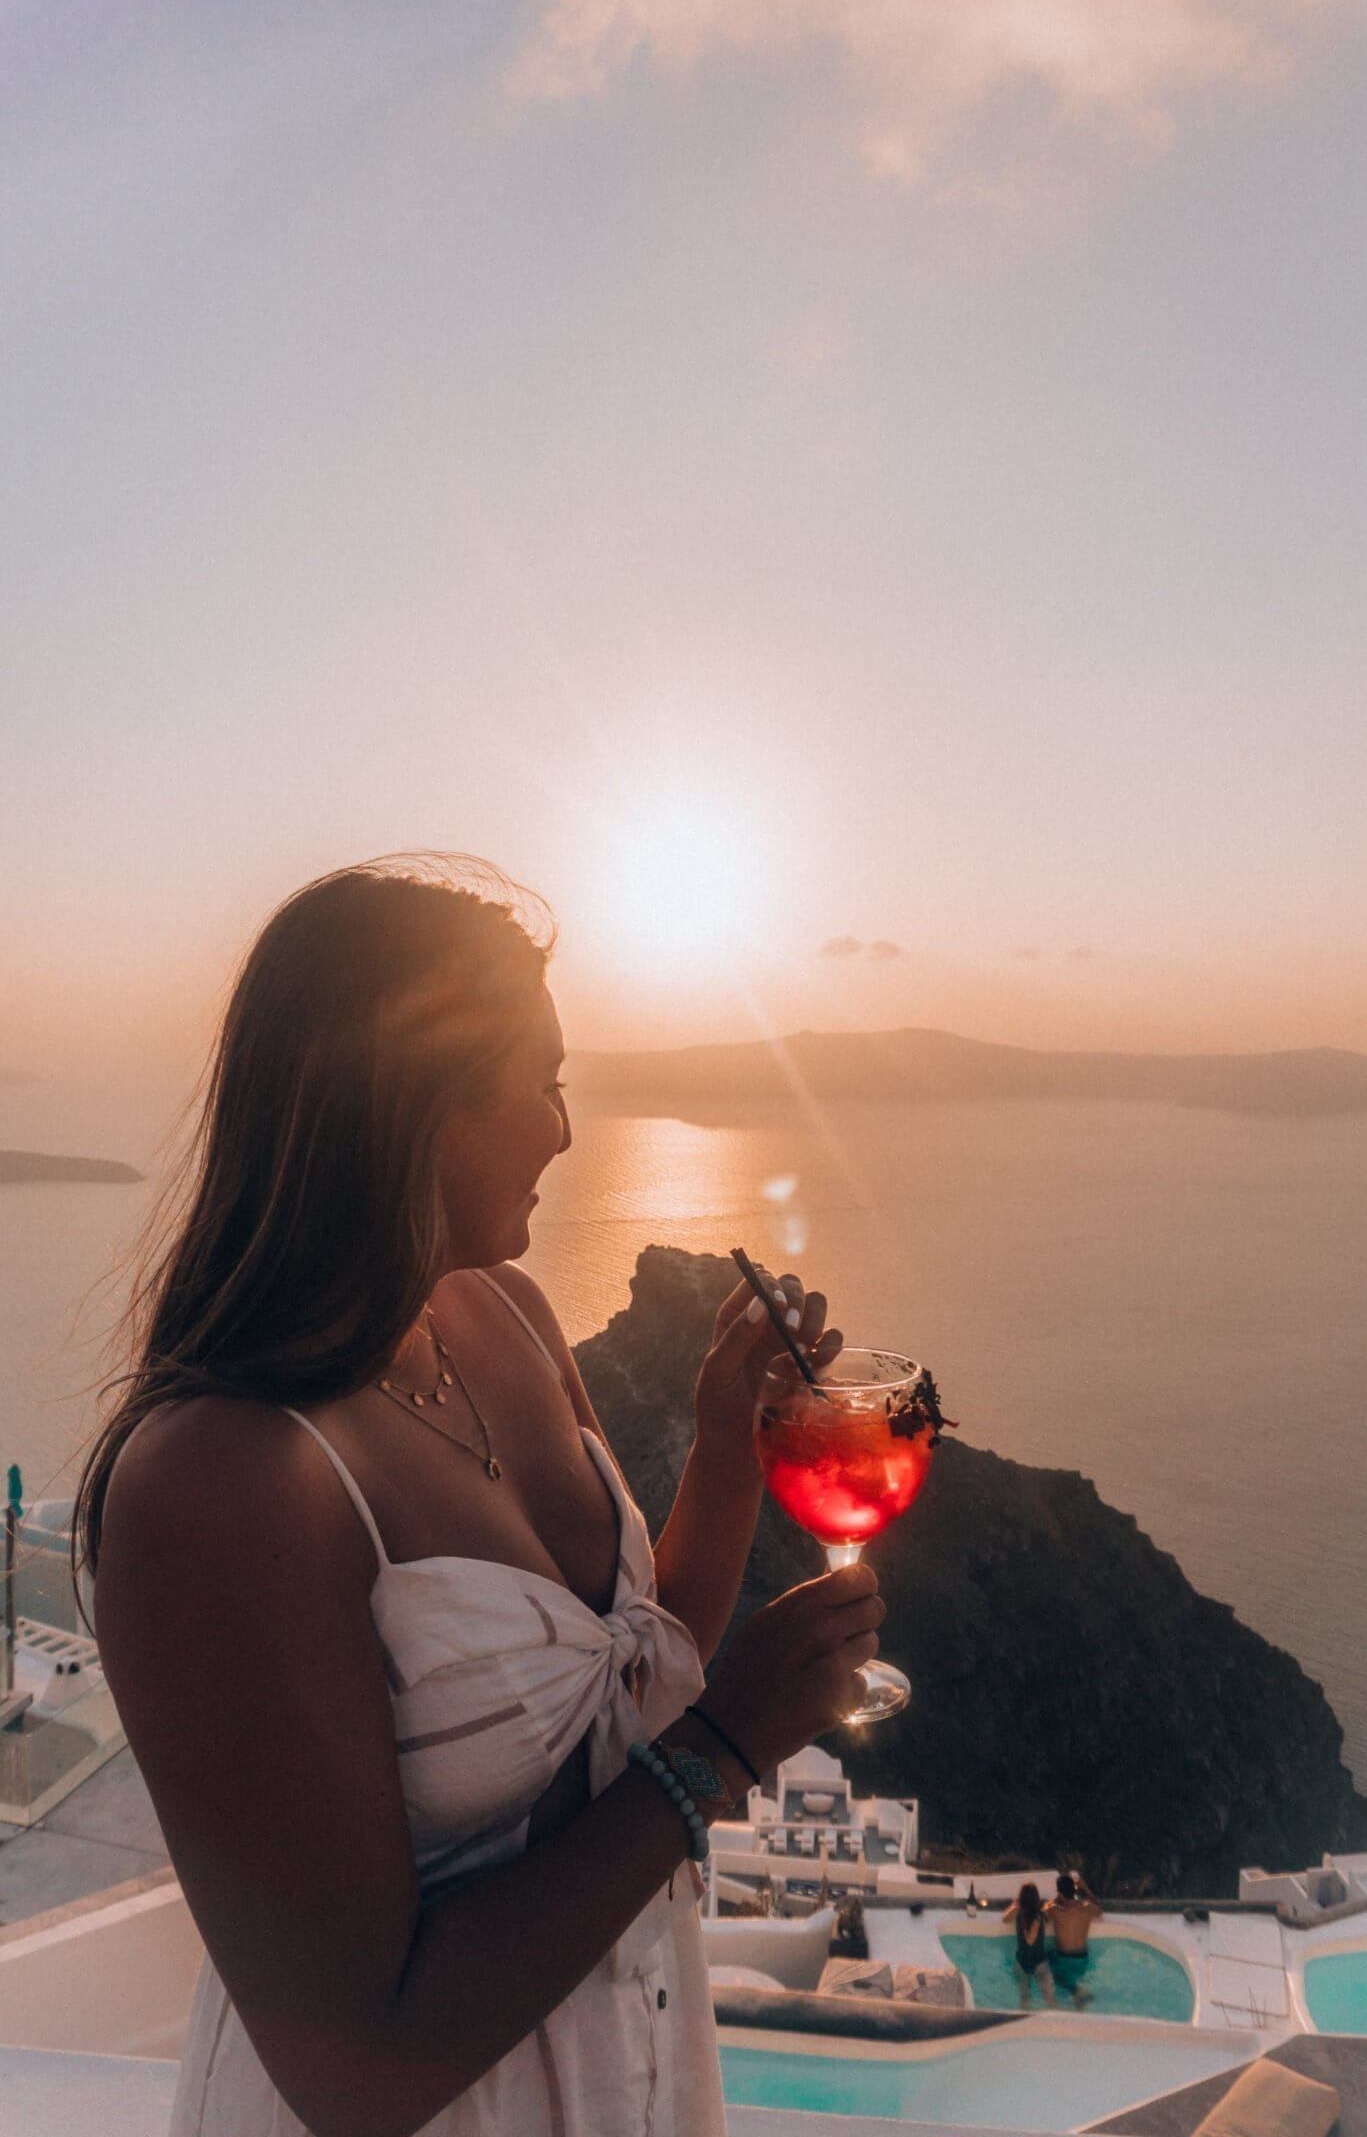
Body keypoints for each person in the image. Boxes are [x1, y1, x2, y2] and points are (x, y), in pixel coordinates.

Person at [78, 856, 884, 2137]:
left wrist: (725, 1445)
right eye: (546, 1083)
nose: (567, 1129)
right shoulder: (221, 1482)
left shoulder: (500, 1311)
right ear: (414, 1100)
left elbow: (620, 1672)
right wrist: (725, 1746)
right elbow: (356, 2069)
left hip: (621, 2075)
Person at [1045, 1870, 1102, 2006]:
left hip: (1064, 1959)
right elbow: (1099, 1910)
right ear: (1074, 1890)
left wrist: (1055, 1899)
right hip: (1082, 1960)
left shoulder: (1055, 1910)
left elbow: (1042, 1914)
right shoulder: (1087, 1907)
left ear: (1059, 1892)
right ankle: (1078, 1993)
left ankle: (1078, 1992)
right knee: (1068, 1979)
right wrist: (1085, 1888)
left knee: (1045, 1965)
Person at [1001, 1883, 1055, 2009]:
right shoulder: (1042, 1915)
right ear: (1037, 1898)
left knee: (1025, 1998)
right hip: (1040, 1962)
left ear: (1021, 1897)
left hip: (1021, 1962)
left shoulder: (1017, 1913)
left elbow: (1004, 1919)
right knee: (1050, 2000)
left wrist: (1014, 1905)